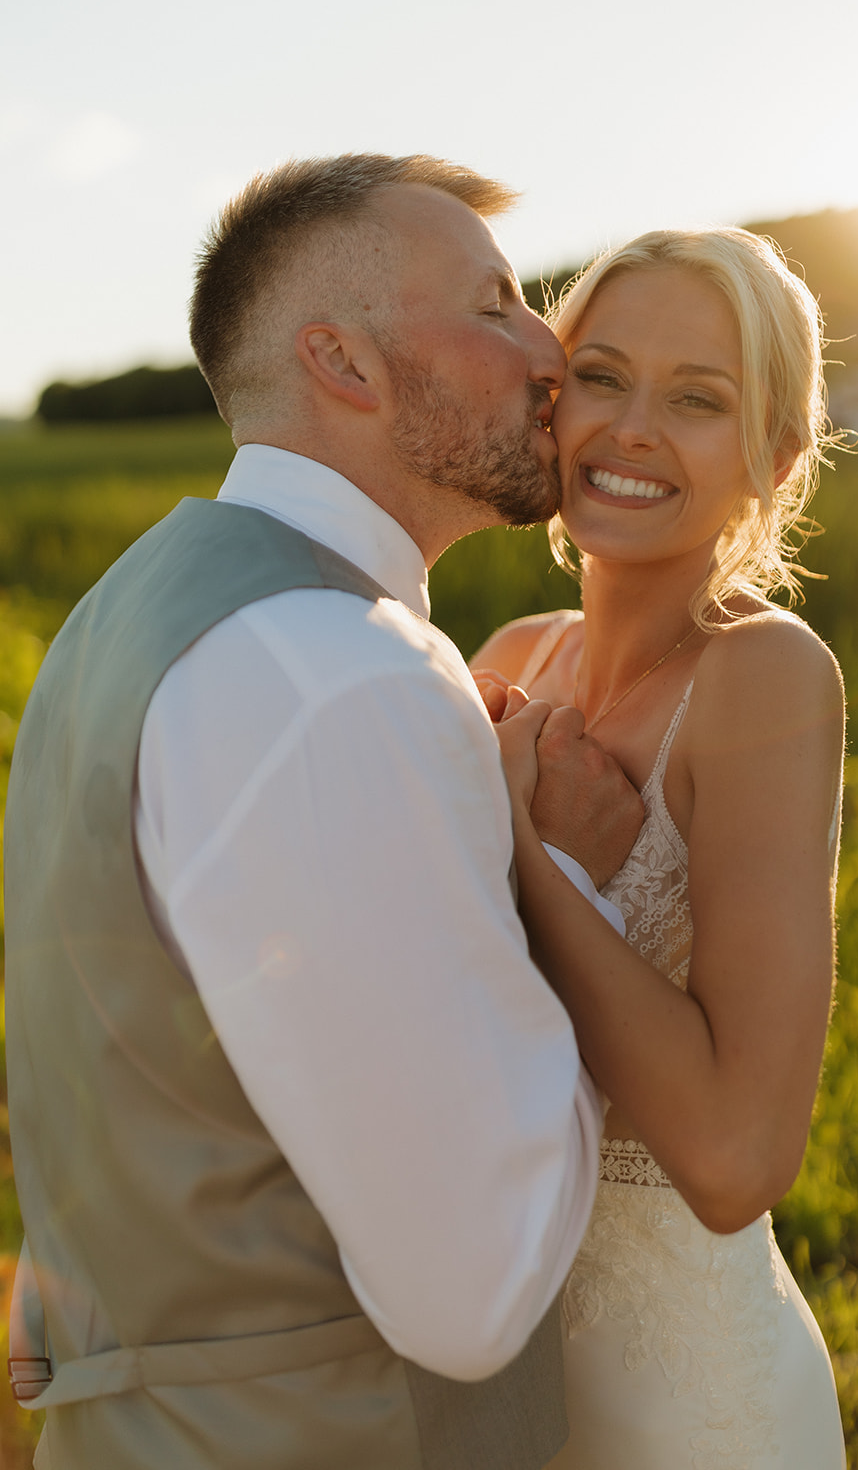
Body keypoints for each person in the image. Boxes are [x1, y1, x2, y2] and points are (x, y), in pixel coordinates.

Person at [2, 154, 645, 1470]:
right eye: (495, 305)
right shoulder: (336, 675)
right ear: (341, 365)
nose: (552, 352)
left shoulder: (129, 612)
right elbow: (473, 1291)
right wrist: (564, 880)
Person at [472, 227, 848, 1468]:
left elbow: (737, 1159)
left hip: (684, 1407)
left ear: (772, 458)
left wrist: (533, 864)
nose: (631, 427)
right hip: (484, 1358)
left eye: (697, 399)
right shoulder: (506, 662)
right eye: (599, 374)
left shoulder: (763, 676)